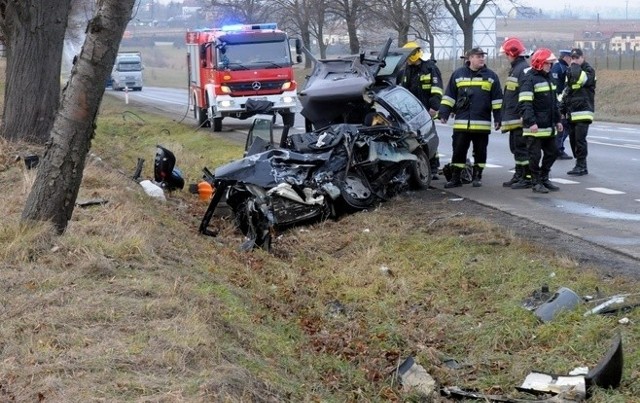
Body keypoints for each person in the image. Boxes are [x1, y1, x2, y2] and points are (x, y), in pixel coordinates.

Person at [438, 47, 503, 188]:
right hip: (462, 123)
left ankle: (477, 176)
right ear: (470, 59)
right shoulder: (458, 74)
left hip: (481, 123)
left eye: (482, 56)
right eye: (478, 56)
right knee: (458, 150)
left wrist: (498, 119)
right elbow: (449, 95)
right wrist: (443, 112)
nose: (482, 58)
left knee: (480, 151)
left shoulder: (491, 76)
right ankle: (456, 178)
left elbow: (497, 100)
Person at [518, 48, 563, 193]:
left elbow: (554, 103)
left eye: (550, 64)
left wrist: (558, 120)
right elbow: (526, 103)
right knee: (535, 156)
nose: (550, 66)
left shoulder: (549, 78)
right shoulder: (529, 79)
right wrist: (531, 122)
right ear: (539, 63)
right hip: (534, 127)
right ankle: (535, 182)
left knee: (553, 152)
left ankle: (544, 178)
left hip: (548, 126)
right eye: (547, 64)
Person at [399, 41, 443, 179]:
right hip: (411, 112)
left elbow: (437, 89)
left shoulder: (430, 68)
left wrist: (434, 107)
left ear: (413, 55)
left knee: (428, 137)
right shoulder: (407, 69)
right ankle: (420, 166)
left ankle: (434, 167)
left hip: (426, 110)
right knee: (415, 139)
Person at [499, 37, 532, 189]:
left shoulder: (522, 70)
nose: (506, 57)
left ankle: (526, 176)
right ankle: (519, 174)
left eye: (507, 54)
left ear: (512, 53)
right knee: (516, 148)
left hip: (519, 119)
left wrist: (523, 114)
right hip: (513, 118)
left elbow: (524, 95)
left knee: (521, 149)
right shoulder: (516, 69)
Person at [560, 48, 596, 176]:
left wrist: (574, 66)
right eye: (572, 58)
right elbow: (567, 91)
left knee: (580, 140)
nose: (574, 60)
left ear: (583, 57)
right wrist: (561, 108)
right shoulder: (570, 71)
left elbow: (580, 79)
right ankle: (579, 163)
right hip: (572, 111)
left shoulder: (589, 70)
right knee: (573, 139)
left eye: (576, 58)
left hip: (584, 111)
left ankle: (581, 165)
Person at [551, 49, 573, 160]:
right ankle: (558, 149)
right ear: (565, 57)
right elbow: (556, 87)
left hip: (563, 101)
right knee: (563, 125)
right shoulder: (558, 67)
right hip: (559, 101)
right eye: (569, 57)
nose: (570, 59)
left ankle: (557, 148)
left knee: (566, 125)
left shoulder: (563, 67)